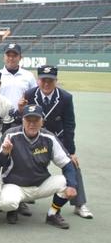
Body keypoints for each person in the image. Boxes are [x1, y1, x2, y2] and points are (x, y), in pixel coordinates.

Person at [22, 65, 92, 219]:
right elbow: (24, 119)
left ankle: (79, 204)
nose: (47, 83)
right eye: (43, 80)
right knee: (23, 162)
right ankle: (23, 199)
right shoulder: (29, 94)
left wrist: (71, 151)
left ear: (56, 81)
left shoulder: (65, 97)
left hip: (57, 138)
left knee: (72, 164)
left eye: (50, 80)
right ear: (38, 80)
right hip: (35, 136)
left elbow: (69, 124)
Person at [0, 104, 78, 229]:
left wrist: (72, 186)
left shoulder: (49, 138)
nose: (32, 124)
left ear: (42, 122)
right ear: (23, 120)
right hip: (15, 184)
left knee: (66, 181)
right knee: (7, 204)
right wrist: (5, 153)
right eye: (28, 120)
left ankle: (52, 214)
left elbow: (67, 164)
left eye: (36, 120)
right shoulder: (10, 135)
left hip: (40, 184)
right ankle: (14, 208)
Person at [0, 43, 35, 107]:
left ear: (20, 58)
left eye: (14, 56)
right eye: (8, 55)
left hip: (22, 114)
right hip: (1, 115)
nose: (11, 58)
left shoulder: (29, 76)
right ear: (3, 57)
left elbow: (35, 95)